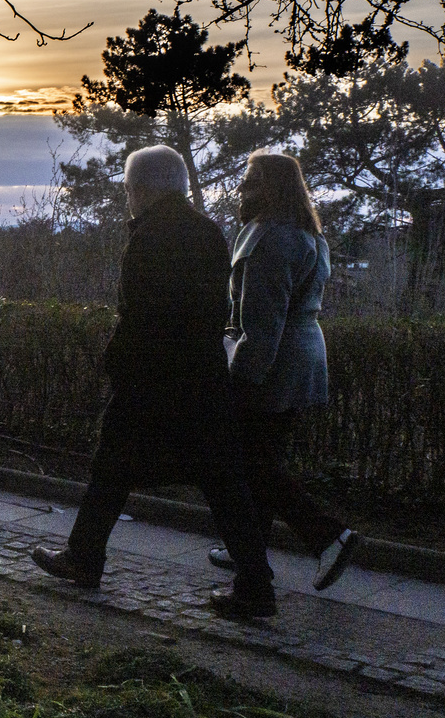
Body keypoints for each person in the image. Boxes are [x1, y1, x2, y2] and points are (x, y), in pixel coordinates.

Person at [31, 145, 277, 618]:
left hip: (150, 380)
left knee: (111, 469)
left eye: (128, 190)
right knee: (224, 483)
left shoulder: (148, 238)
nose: (128, 199)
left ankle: (84, 559)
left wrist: (115, 364)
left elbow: (138, 314)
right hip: (202, 377)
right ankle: (256, 583)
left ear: (144, 189)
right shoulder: (210, 232)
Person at [209, 151, 359, 590]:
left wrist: (244, 379)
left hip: (274, 362)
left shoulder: (268, 239)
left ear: (271, 188)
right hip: (302, 357)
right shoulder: (307, 234)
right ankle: (246, 552)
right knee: (262, 458)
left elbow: (263, 322)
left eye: (251, 180)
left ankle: (329, 536)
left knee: (248, 463)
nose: (240, 189)